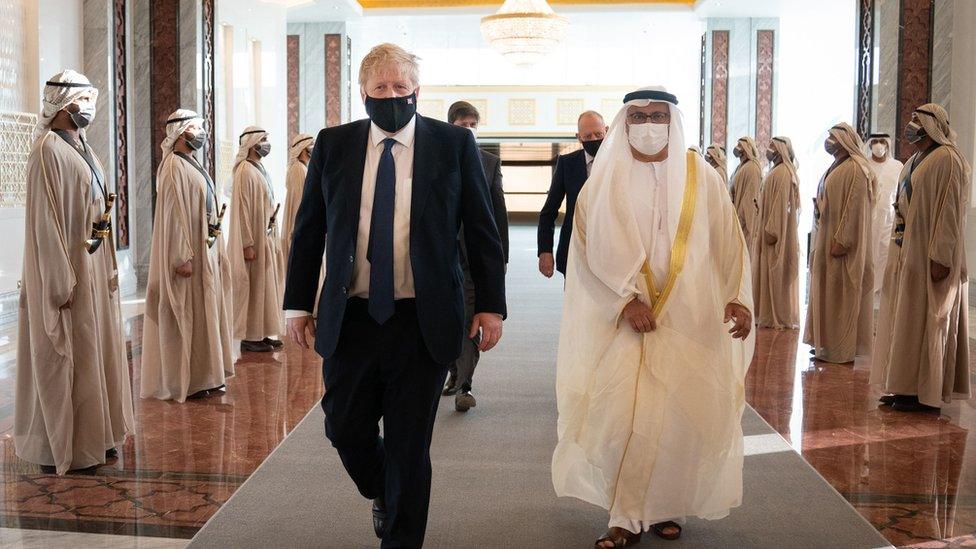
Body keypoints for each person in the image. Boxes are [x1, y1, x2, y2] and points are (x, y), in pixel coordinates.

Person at [283, 43, 506, 548]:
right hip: (353, 316)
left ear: (417, 91)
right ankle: (387, 492)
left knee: (410, 446)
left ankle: (402, 535)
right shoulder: (333, 144)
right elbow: (310, 229)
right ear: (363, 92)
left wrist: (490, 305)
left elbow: (481, 229)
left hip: (421, 319)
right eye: (380, 88)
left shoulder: (452, 145)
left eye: (400, 88)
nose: (391, 96)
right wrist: (298, 303)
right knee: (344, 427)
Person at [551, 86, 754, 548]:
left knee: (677, 418)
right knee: (617, 416)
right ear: (625, 122)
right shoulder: (605, 178)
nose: (647, 125)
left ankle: (666, 506)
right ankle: (623, 516)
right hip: (624, 322)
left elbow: (729, 240)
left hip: (689, 317)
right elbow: (587, 249)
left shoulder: (701, 176)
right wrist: (625, 301)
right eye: (638, 117)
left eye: (657, 116)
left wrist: (737, 297)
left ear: (672, 119)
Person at [14, 70, 134, 474]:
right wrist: (59, 281)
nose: (90, 109)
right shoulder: (48, 149)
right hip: (70, 274)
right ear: (66, 106)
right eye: (84, 101)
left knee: (95, 350)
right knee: (72, 357)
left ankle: (97, 436)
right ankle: (70, 444)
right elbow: (46, 225)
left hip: (92, 265)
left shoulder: (80, 146)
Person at [871, 104, 971, 412]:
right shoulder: (914, 160)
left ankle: (925, 395)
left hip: (930, 255)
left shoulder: (949, 159)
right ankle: (904, 386)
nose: (910, 125)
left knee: (930, 321)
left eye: (916, 119)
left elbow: (951, 212)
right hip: (906, 250)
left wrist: (940, 255)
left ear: (930, 125)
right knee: (904, 321)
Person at [140, 109, 235, 402]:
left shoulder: (190, 164)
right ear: (182, 133)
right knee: (186, 315)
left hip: (202, 249)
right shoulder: (172, 167)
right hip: (187, 258)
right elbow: (173, 216)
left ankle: (204, 375)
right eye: (196, 129)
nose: (201, 134)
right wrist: (182, 255)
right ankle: (187, 380)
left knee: (204, 314)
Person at [443, 100, 509, 411]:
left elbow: (498, 213)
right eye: (462, 126)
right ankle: (454, 374)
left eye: (473, 125)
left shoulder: (489, 162)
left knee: (470, 319)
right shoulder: (434, 159)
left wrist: (501, 260)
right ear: (450, 127)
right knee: (448, 322)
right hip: (440, 257)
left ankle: (464, 386)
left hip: (473, 258)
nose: (468, 131)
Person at [804, 123, 875, 364]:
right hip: (826, 238)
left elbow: (854, 208)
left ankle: (842, 348)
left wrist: (842, 239)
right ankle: (829, 344)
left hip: (841, 246)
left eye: (833, 138)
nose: (829, 142)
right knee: (829, 295)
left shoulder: (856, 169)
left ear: (845, 140)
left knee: (843, 297)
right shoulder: (835, 167)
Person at [228, 126, 285, 353]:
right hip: (253, 241)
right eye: (263, 139)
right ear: (251, 143)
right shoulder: (244, 170)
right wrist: (247, 242)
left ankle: (261, 332)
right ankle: (249, 336)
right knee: (253, 288)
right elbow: (242, 209)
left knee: (265, 286)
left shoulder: (258, 168)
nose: (266, 144)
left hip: (265, 236)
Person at [538, 110, 607, 278]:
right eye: (587, 136)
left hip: (611, 252)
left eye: (598, 134)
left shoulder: (621, 163)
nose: (593, 140)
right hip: (574, 251)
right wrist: (545, 251)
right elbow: (549, 211)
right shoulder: (566, 163)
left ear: (607, 130)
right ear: (579, 137)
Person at [752, 136, 800, 329]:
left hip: (775, 235)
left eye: (773, 146)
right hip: (768, 230)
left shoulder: (782, 173)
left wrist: (772, 230)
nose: (769, 149)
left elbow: (782, 206)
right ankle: (767, 313)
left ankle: (776, 316)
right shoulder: (777, 171)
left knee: (776, 275)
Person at [864, 133, 904, 300]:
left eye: (882, 141)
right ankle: (868, 290)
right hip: (867, 220)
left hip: (890, 220)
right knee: (869, 253)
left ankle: (883, 292)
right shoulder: (864, 164)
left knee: (886, 255)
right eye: (875, 142)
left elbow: (902, 194)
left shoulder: (897, 166)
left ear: (887, 144)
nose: (879, 145)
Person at [282, 132, 315, 265]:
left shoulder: (303, 168)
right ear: (303, 148)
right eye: (311, 144)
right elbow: (298, 201)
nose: (314, 147)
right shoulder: (298, 170)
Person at [729, 136, 763, 256]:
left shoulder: (752, 168)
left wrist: (742, 220)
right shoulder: (741, 167)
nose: (737, 149)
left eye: (740, 146)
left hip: (745, 223)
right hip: (737, 217)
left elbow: (750, 200)